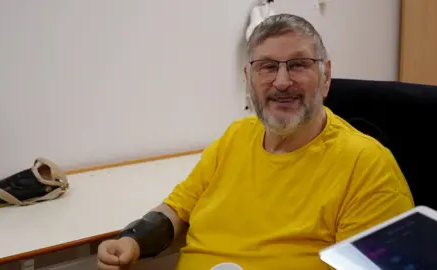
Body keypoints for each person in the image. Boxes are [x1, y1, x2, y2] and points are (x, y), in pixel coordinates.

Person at [97, 13, 414, 270]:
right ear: (248, 79)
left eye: (299, 65)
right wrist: (132, 241)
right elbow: (177, 209)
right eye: (266, 67)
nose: (281, 81)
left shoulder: (368, 167)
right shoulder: (236, 137)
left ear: (326, 76)